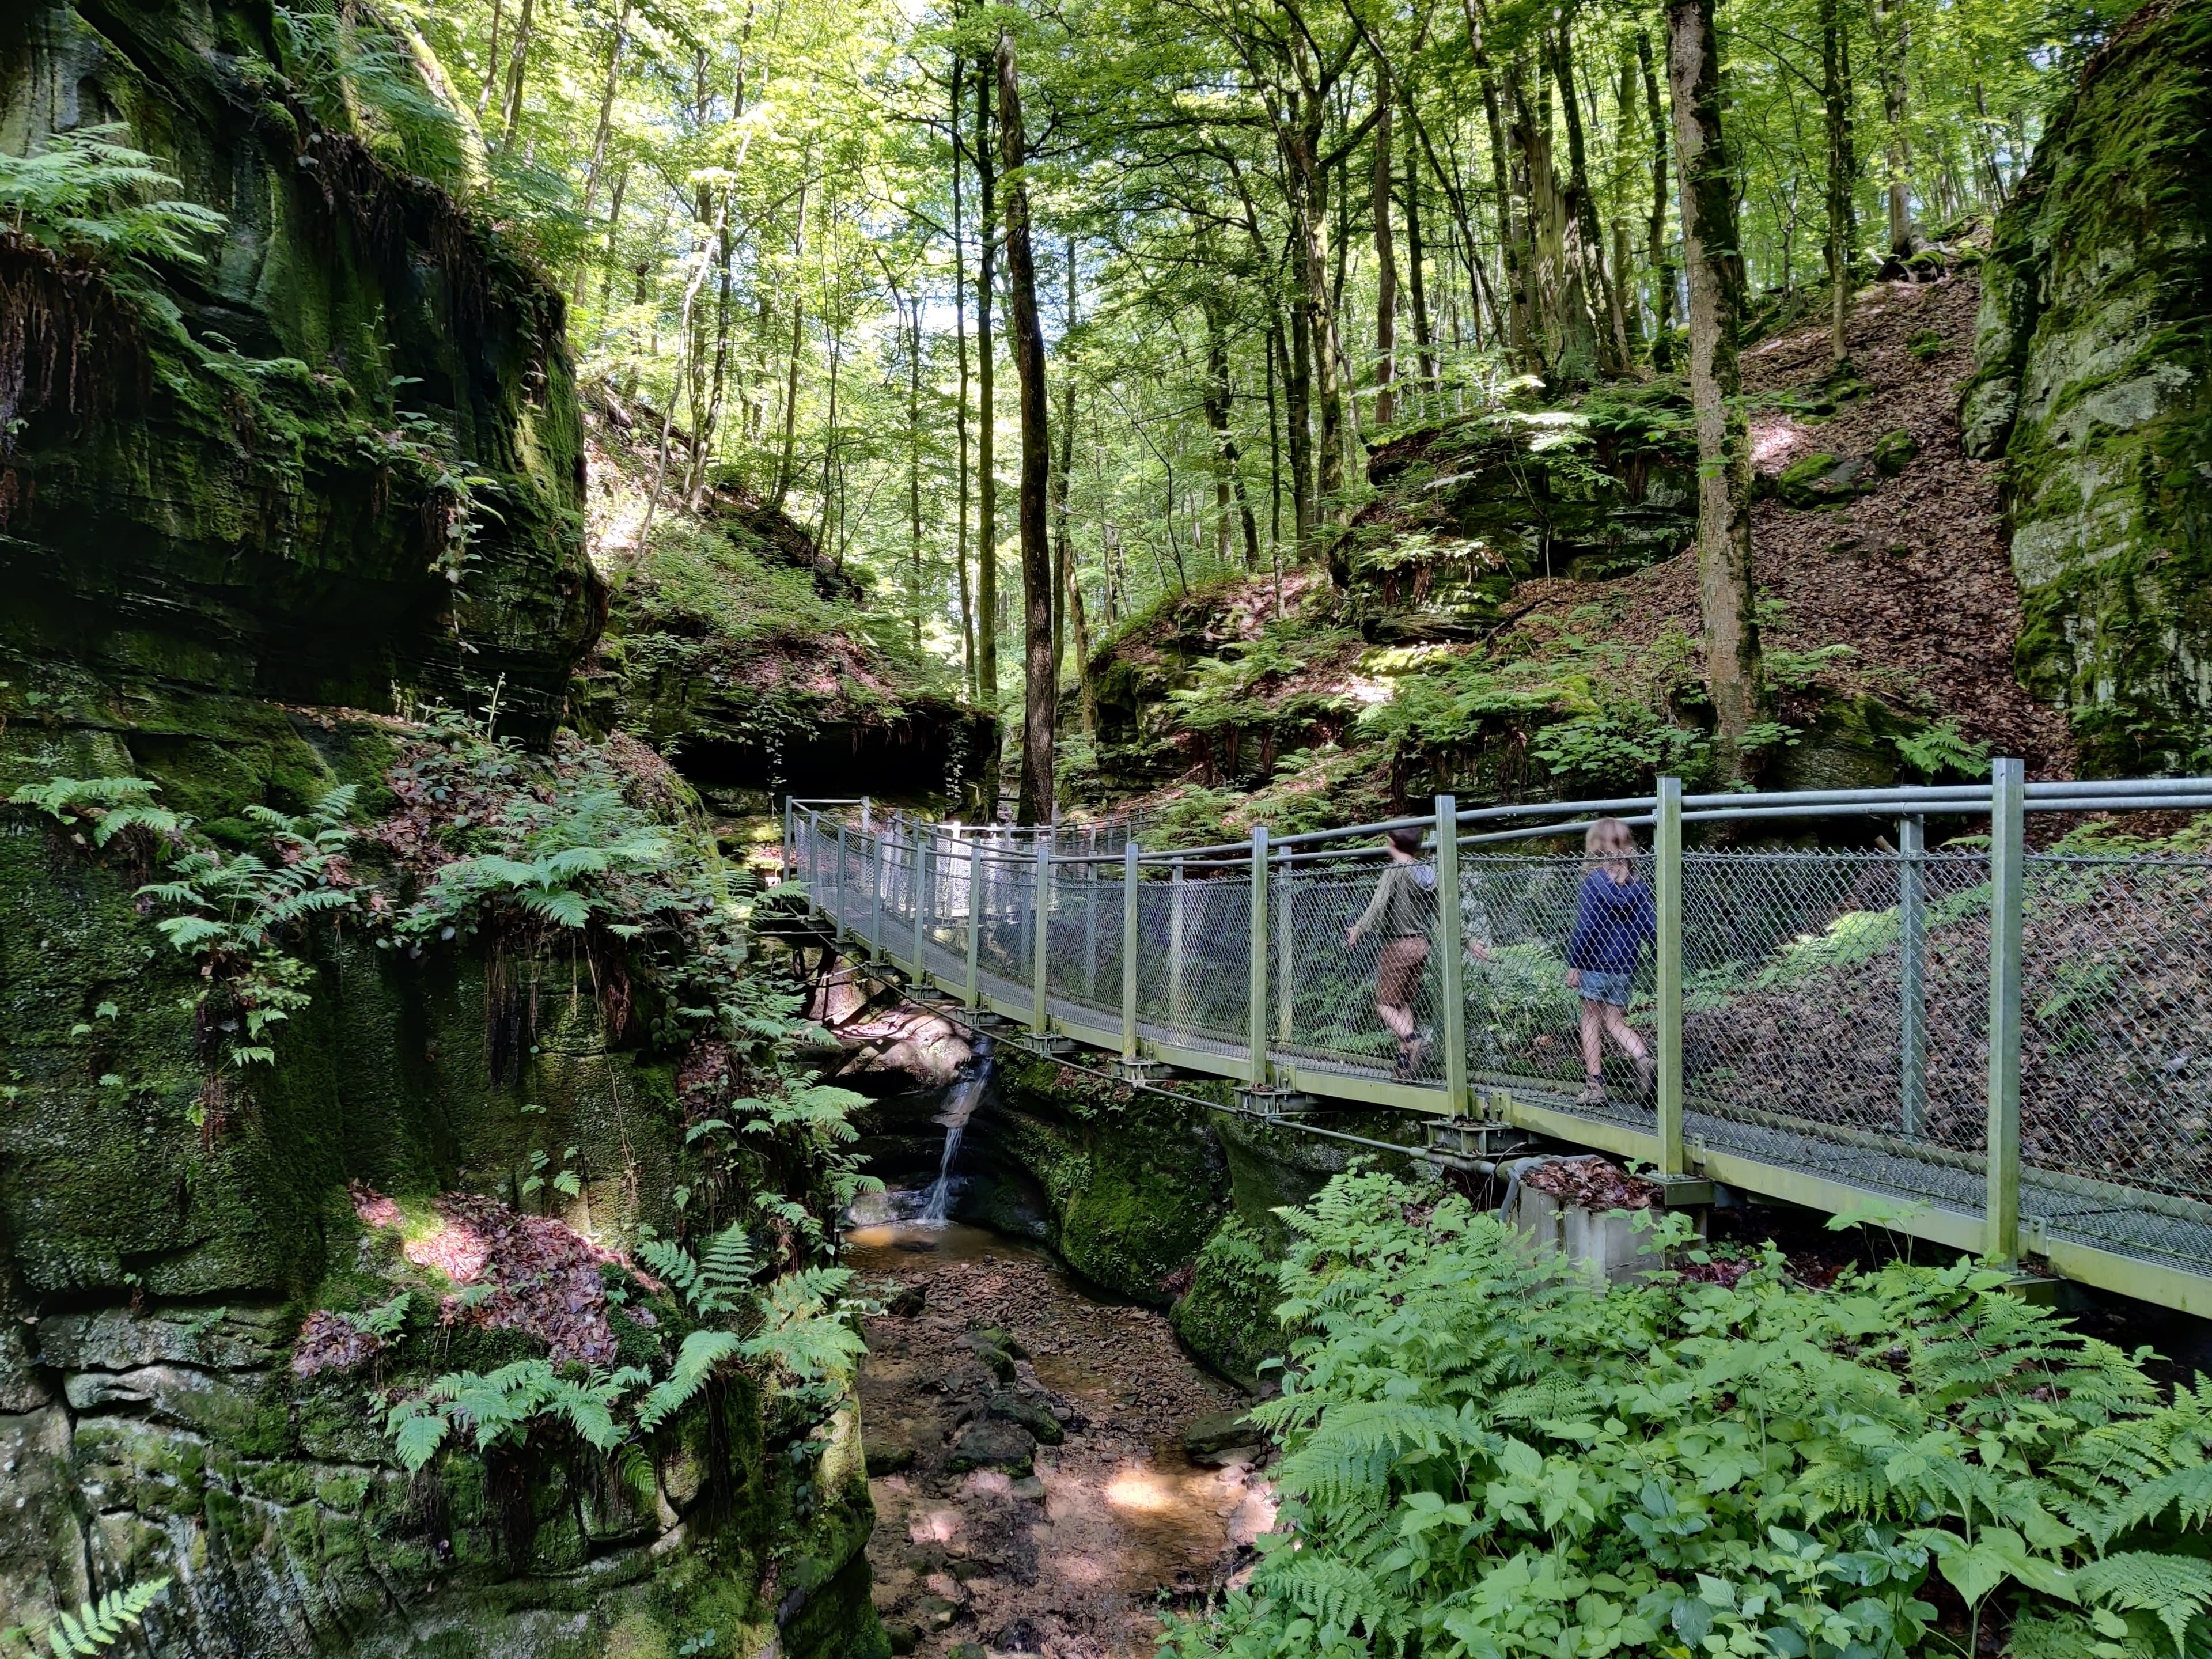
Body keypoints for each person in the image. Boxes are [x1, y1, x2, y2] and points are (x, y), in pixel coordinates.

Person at [1566, 817, 1656, 1105]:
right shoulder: (1639, 888)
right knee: (1615, 1021)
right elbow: (1650, 926)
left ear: (1595, 848)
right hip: (1624, 969)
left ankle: (1595, 1086)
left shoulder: (1593, 883)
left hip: (1594, 965)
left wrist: (1574, 962)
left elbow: (1586, 927)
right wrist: (1657, 954)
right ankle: (1643, 1058)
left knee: (1591, 1019)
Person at [1345, 824, 1439, 1080]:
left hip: (1397, 945)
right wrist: (1468, 941)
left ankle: (1414, 1039)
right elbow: (1443, 909)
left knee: (1384, 1005)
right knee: (1402, 1003)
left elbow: (1378, 906)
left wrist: (1358, 930)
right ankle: (1405, 1066)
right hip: (1421, 945)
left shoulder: (1395, 871)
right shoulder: (1427, 872)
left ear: (1391, 842)